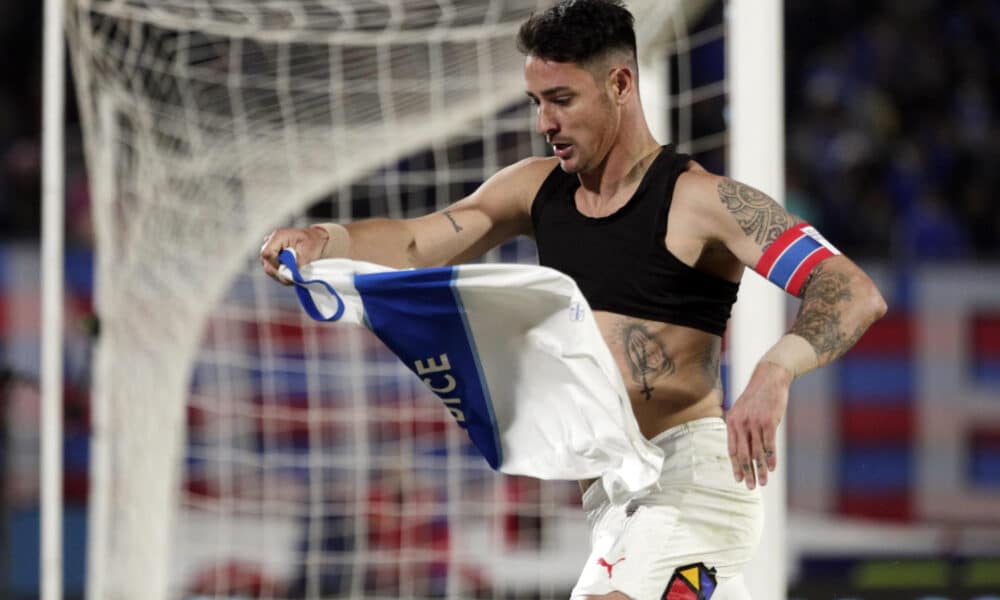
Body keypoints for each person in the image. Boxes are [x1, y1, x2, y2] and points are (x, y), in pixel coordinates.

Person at [260, 1, 887, 597]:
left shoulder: (701, 201)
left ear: (619, 83)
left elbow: (851, 289)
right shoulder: (534, 191)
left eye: (562, 100)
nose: (545, 123)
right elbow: (417, 242)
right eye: (537, 102)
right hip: (611, 501)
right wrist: (326, 239)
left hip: (686, 486)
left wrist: (776, 369)